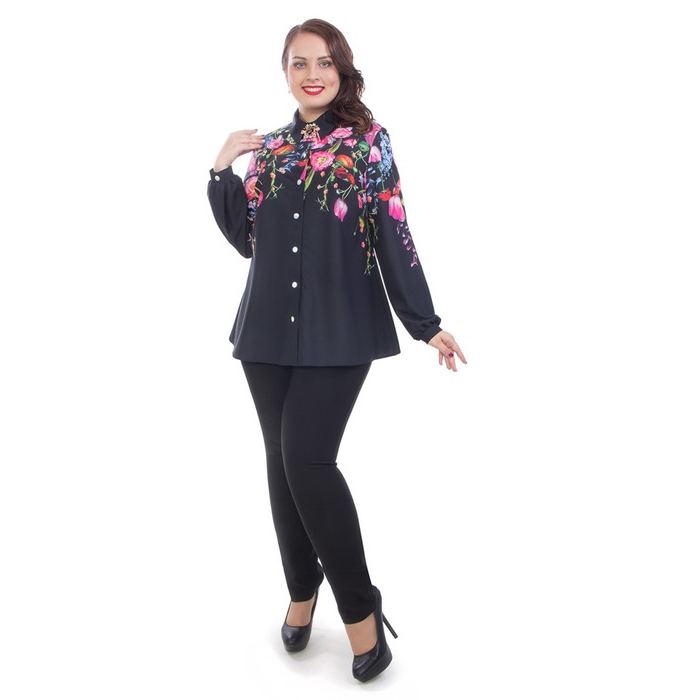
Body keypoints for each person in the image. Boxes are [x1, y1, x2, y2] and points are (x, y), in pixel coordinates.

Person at [207, 18, 467, 683]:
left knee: (308, 460)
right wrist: (222, 171)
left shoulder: (369, 142)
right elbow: (248, 240)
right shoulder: (272, 149)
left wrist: (425, 322)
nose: (312, 74)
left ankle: (361, 609)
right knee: (281, 465)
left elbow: (393, 230)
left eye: (323, 62)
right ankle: (301, 591)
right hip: (266, 332)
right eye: (299, 63)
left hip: (341, 327)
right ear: (285, 72)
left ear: (341, 69)